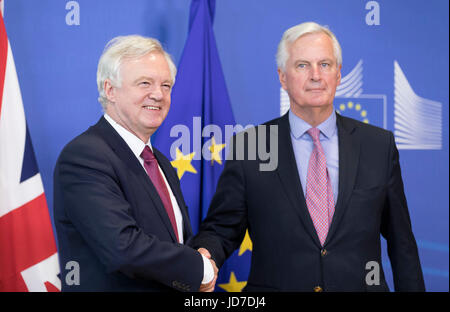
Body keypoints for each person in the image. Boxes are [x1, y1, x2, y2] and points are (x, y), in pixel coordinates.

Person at [192, 22, 425, 291]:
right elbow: (222, 229)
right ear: (282, 76)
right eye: (302, 65)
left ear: (338, 74)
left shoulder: (377, 145)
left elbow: (402, 242)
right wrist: (205, 258)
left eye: (325, 64)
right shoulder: (252, 145)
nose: (316, 75)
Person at [53, 35, 217, 291]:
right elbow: (123, 248)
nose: (158, 95)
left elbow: (177, 241)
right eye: (144, 83)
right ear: (110, 90)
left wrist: (200, 257)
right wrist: (199, 269)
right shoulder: (85, 156)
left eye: (166, 85)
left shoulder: (160, 161)